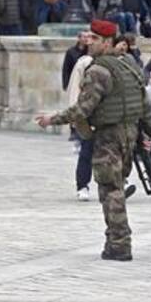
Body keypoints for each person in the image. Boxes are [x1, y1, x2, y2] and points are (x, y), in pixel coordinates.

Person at [36, 19, 151, 261]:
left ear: (107, 42)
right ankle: (115, 239)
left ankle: (120, 243)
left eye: (95, 38)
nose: (89, 42)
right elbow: (145, 104)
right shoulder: (129, 65)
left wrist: (52, 119)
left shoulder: (99, 71)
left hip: (109, 136)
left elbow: (82, 109)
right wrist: (147, 134)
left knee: (111, 190)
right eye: (89, 37)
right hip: (129, 134)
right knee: (117, 187)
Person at [65, 29, 98, 201]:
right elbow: (74, 89)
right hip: (88, 115)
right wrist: (74, 117)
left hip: (109, 115)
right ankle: (83, 184)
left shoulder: (116, 62)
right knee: (87, 151)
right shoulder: (84, 63)